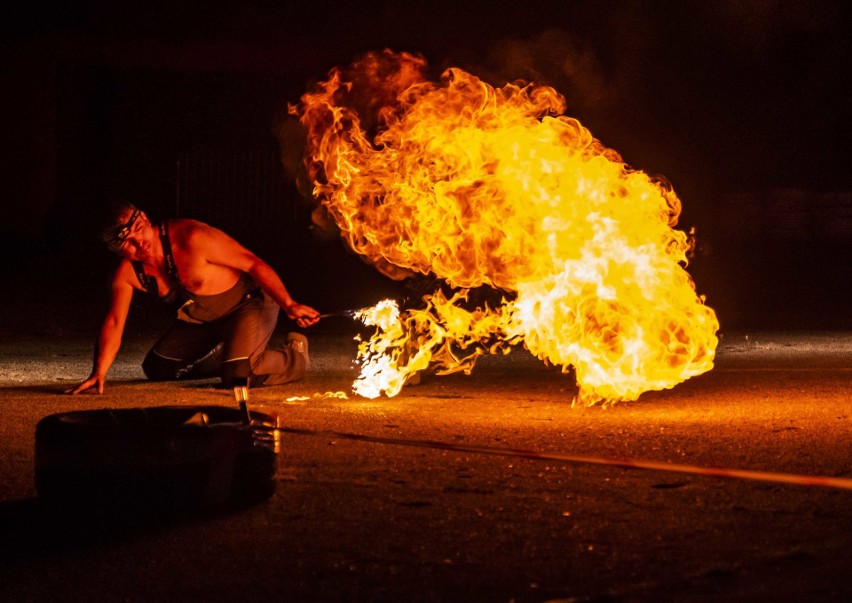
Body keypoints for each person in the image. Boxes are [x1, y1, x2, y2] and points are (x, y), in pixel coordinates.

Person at [67, 201, 320, 395]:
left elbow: (254, 264)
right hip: (204, 322)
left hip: (249, 303)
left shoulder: (192, 237)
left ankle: (294, 355)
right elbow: (114, 321)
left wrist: (289, 303)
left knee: (238, 377)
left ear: (144, 218)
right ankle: (234, 351)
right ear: (115, 249)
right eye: (127, 243)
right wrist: (99, 372)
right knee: (158, 368)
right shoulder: (127, 273)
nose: (139, 243)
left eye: (138, 230)